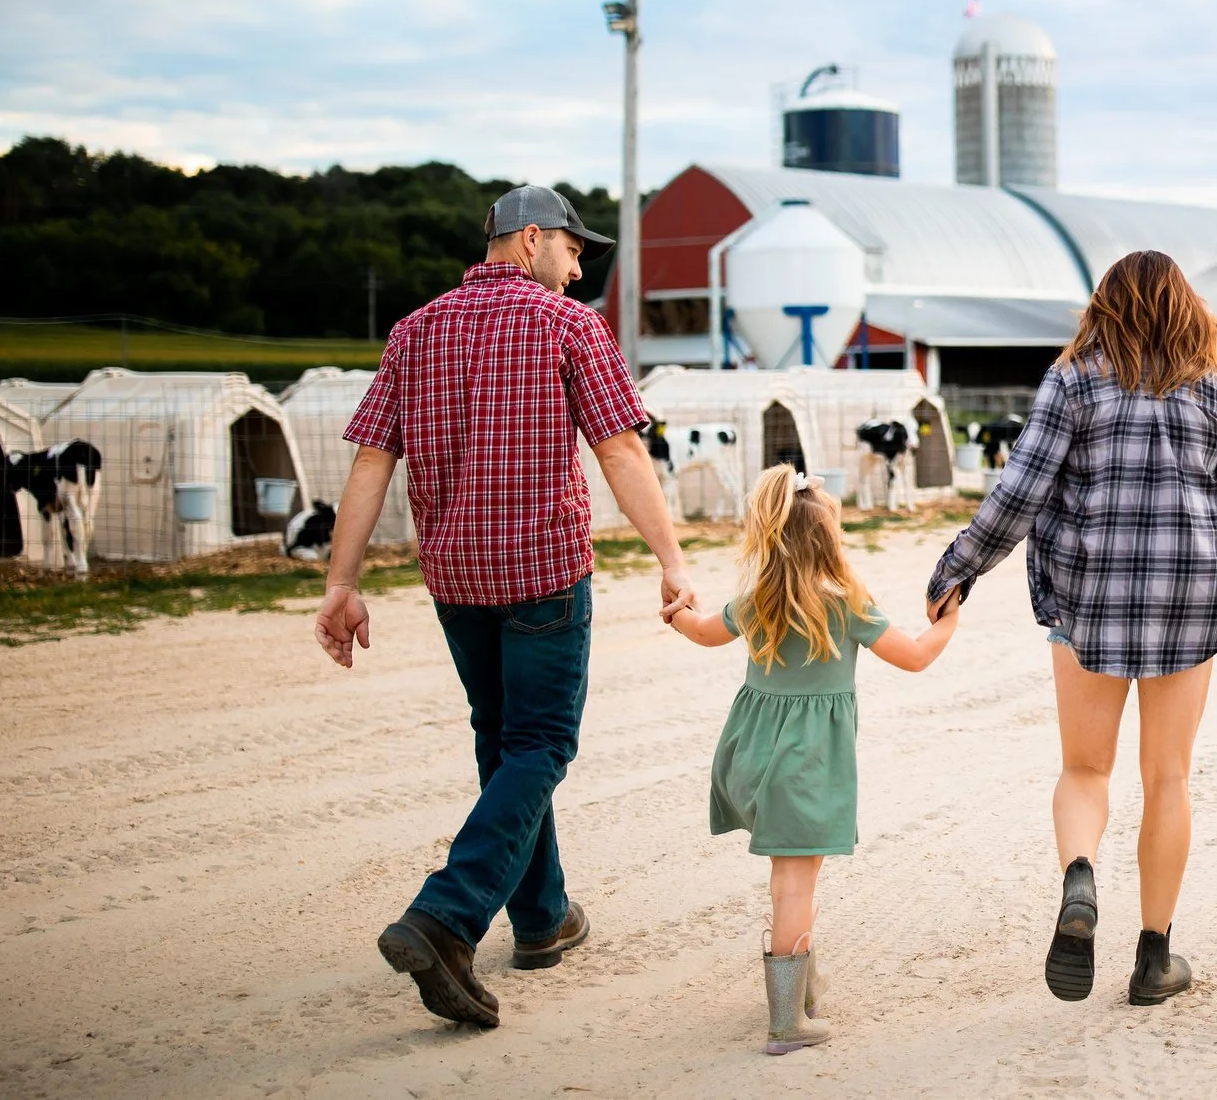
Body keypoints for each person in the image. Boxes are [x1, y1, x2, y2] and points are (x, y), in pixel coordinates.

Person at [312, 184, 698, 1030]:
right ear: (530, 239)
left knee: (504, 741)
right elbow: (621, 448)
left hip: (455, 581)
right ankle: (447, 915)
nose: (579, 264)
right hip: (543, 576)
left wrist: (341, 583)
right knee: (541, 743)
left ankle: (541, 917)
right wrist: (671, 559)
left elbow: (372, 464)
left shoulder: (414, 330)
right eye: (573, 248)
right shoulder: (568, 325)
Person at [924, 249, 1217, 1007]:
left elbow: (1020, 490)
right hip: (1190, 599)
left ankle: (1080, 877)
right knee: (1168, 776)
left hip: (1088, 596)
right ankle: (1154, 957)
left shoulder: (1071, 381)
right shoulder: (1215, 388)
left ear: (1102, 306)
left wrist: (958, 567)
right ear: (1186, 308)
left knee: (1086, 769)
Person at [667, 461, 959, 1055]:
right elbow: (917, 657)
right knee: (794, 882)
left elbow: (699, 630)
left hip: (750, 755)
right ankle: (785, 1025)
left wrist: (676, 609)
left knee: (790, 876)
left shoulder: (756, 599)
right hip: (804, 766)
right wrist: (949, 619)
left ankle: (802, 986)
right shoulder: (846, 603)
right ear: (831, 540)